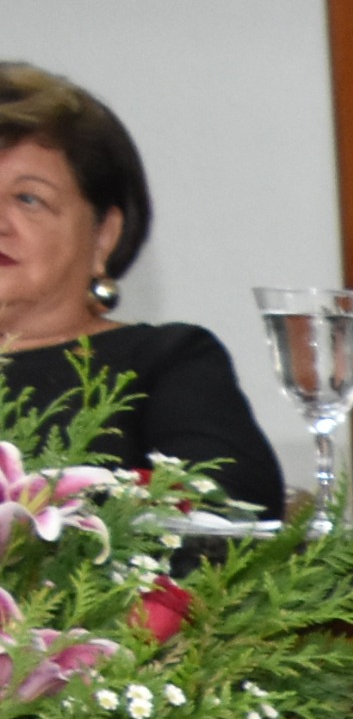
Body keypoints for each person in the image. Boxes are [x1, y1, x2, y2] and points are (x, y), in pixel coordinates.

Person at [0, 63, 285, 515]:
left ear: (104, 235)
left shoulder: (165, 363)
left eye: (28, 199)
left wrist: (45, 516)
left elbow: (229, 500)